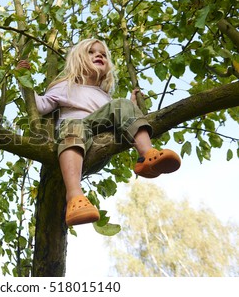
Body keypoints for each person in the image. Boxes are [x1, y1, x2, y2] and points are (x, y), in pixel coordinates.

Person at [17, 38, 181, 226]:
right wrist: (24, 80)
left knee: (122, 104)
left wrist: (132, 105)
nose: (99, 56)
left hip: (99, 148)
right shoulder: (65, 86)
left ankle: (148, 157)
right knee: (74, 124)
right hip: (73, 145)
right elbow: (40, 106)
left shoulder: (106, 97)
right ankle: (75, 196)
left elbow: (122, 117)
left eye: (102, 54)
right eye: (92, 52)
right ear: (78, 59)